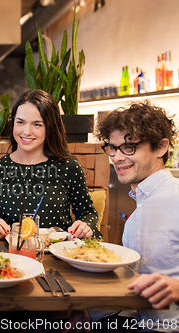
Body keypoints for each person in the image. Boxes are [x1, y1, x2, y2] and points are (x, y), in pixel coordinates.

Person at [91, 101, 179, 332]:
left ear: (160, 147)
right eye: (112, 147)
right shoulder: (141, 204)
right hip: (135, 318)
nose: (117, 157)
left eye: (129, 147)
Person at [0, 90, 99, 240]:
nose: (26, 131)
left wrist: (85, 226)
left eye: (37, 124)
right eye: (20, 122)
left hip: (59, 254)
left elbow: (88, 213)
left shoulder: (69, 167)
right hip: (11, 256)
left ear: (50, 127)